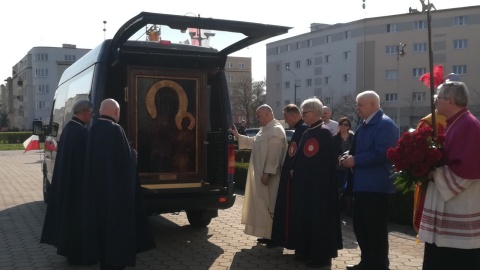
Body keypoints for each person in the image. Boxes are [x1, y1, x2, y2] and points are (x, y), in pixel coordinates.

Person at [82, 99, 156, 270]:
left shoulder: (93, 130)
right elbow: (125, 162)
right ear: (116, 112)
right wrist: (133, 157)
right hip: (116, 194)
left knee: (102, 231)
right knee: (116, 233)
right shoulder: (116, 130)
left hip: (98, 193)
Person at [418, 81, 480, 270]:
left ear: (451, 101)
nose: (435, 102)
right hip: (449, 204)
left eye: (438, 98)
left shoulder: (468, 125)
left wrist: (432, 173)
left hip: (460, 205)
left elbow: (467, 171)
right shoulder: (455, 123)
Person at [341, 91, 399, 270]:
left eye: (360, 105)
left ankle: (379, 265)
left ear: (373, 104)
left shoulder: (385, 124)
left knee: (375, 231)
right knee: (361, 227)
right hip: (362, 185)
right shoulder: (364, 124)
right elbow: (358, 148)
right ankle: (367, 262)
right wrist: (347, 156)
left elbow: (383, 152)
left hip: (377, 187)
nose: (357, 108)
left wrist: (356, 160)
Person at [289, 97, 343, 268]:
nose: (302, 116)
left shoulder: (324, 133)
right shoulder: (308, 131)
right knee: (307, 219)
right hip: (306, 187)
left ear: (314, 113)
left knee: (319, 221)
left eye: (304, 112)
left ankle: (321, 256)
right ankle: (305, 250)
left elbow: (326, 163)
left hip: (319, 188)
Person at [40, 100, 94, 265]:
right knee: (77, 223)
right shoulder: (80, 133)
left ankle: (72, 254)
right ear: (84, 112)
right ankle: (78, 256)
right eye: (90, 113)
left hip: (69, 185)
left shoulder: (69, 130)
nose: (91, 117)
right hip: (77, 188)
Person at [231, 104, 287, 246]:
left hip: (270, 178)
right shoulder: (264, 130)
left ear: (268, 114)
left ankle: (274, 236)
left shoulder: (276, 130)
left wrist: (267, 173)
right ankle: (266, 234)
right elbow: (254, 142)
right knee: (263, 205)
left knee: (271, 204)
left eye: (259, 116)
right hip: (262, 177)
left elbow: (274, 155)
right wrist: (238, 136)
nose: (257, 118)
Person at [271, 104, 308, 250]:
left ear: (293, 115)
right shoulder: (299, 129)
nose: (286, 121)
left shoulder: (303, 129)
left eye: (286, 117)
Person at [333, 116, 354, 216]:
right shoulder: (335, 138)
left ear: (349, 126)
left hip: (351, 167)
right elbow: (333, 151)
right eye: (341, 124)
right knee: (338, 188)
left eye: (345, 124)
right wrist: (339, 157)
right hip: (339, 166)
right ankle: (337, 209)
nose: (343, 126)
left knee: (349, 189)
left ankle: (349, 209)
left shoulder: (352, 137)